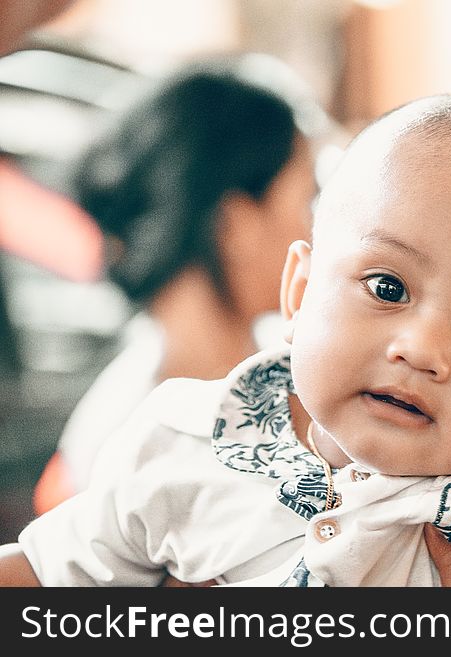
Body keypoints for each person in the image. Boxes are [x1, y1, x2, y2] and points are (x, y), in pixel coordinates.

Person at [0, 94, 451, 587]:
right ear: (299, 293)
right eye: (388, 287)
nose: (422, 349)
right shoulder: (190, 439)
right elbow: (43, 572)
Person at [31, 55, 321, 512]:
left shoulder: (307, 369)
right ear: (235, 224)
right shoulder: (128, 442)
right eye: (309, 199)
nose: (320, 229)